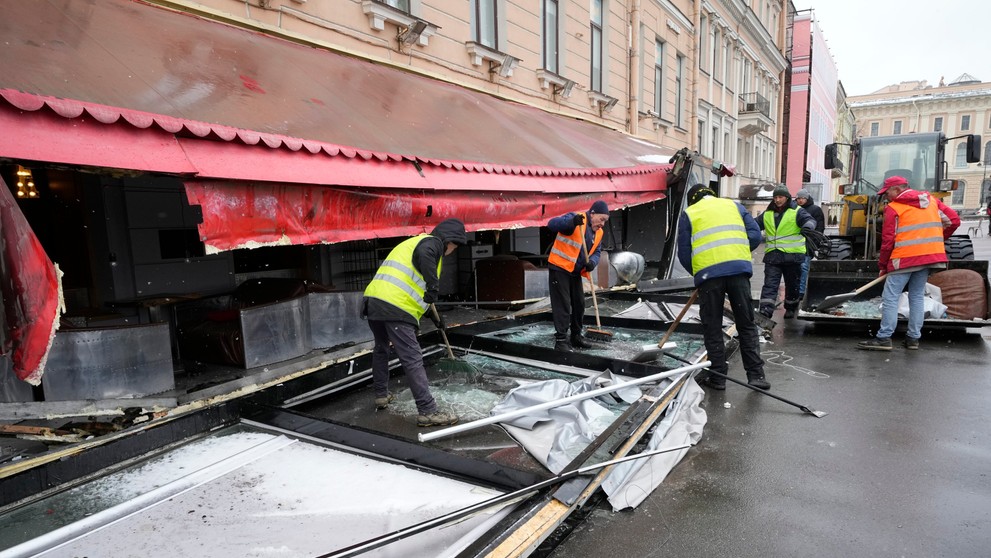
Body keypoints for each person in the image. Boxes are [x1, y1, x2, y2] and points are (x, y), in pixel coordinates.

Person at [362, 218, 467, 426]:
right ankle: (428, 411)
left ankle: (381, 394)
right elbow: (425, 257)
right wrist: (433, 288)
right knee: (412, 358)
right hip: (396, 307)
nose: (452, 251)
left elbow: (413, 287)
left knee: (381, 349)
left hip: (374, 301)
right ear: (450, 241)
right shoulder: (432, 244)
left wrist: (436, 318)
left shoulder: (412, 243)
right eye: (454, 247)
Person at [677, 184, 769, 390]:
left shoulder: (690, 213)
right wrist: (736, 252)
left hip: (709, 277)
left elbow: (683, 252)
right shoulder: (733, 206)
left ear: (692, 200)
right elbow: (755, 235)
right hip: (738, 272)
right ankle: (756, 376)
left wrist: (700, 273)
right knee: (746, 324)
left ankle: (718, 379)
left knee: (712, 327)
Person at [857, 176, 959, 351]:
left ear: (897, 189)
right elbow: (954, 220)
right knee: (917, 296)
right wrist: (936, 240)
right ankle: (913, 338)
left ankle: (884, 338)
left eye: (887, 193)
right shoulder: (931, 201)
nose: (886, 196)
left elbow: (888, 241)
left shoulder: (894, 207)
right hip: (929, 257)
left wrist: (883, 266)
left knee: (890, 298)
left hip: (904, 258)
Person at [547, 200, 609, 351]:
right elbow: (552, 224)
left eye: (605, 221)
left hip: (575, 271)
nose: (602, 224)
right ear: (592, 214)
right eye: (601, 219)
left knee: (579, 304)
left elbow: (597, 252)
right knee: (563, 304)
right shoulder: (576, 218)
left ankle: (576, 336)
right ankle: (561, 341)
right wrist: (571, 222)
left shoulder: (599, 233)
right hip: (560, 267)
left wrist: (592, 263)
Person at [757, 186, 816, 320]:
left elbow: (811, 221)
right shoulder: (767, 213)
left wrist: (808, 227)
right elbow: (754, 225)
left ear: (787, 198)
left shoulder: (797, 211)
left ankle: (790, 307)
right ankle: (765, 312)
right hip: (773, 257)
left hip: (792, 257)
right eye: (775, 197)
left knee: (792, 285)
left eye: (780, 197)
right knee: (770, 285)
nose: (777, 200)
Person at [795, 188, 825, 300]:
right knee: (794, 269)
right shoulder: (793, 210)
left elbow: (819, 228)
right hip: (794, 244)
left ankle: (800, 292)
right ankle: (794, 290)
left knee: (803, 267)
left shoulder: (815, 210)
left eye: (803, 198)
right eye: (798, 198)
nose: (800, 200)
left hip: (808, 244)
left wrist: (814, 242)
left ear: (807, 199)